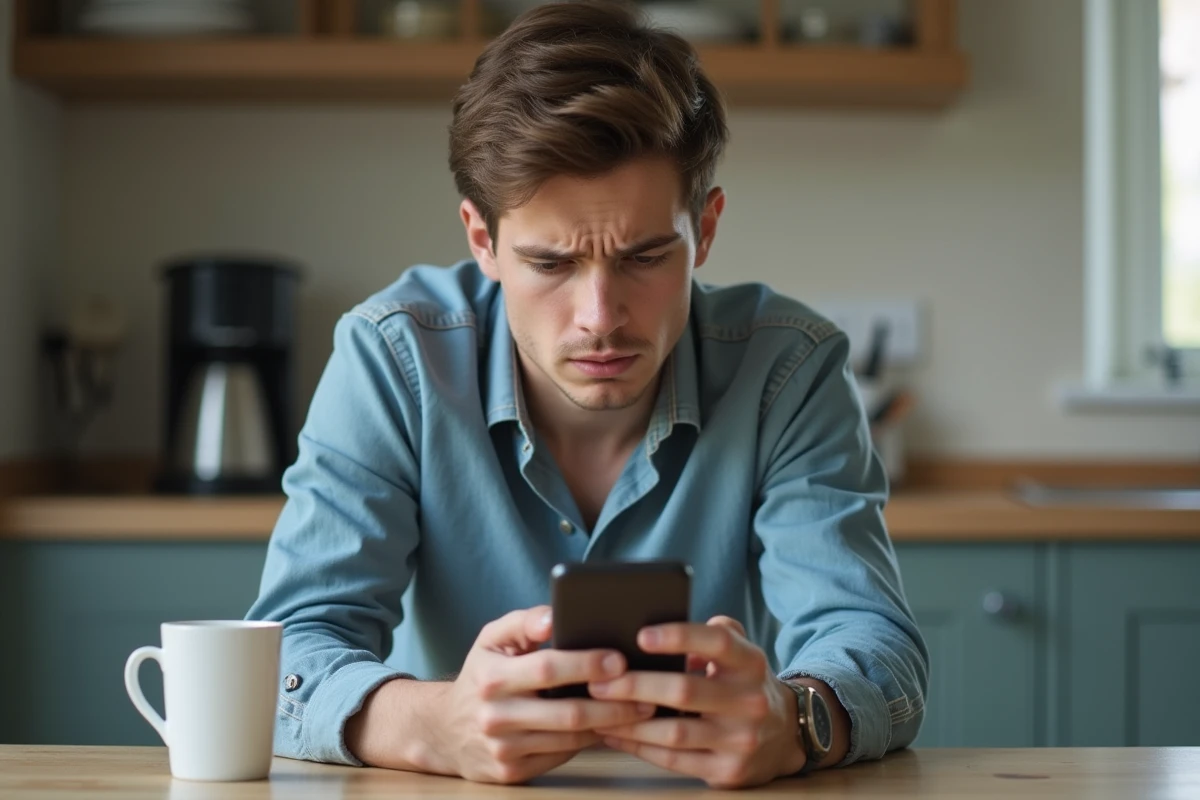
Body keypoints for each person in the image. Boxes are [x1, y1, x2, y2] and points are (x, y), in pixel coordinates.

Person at [247, 0, 927, 788]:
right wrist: (435, 725)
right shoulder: (391, 361)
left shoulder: (788, 369)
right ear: (481, 239)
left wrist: (799, 718)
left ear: (704, 230)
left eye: (644, 258)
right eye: (552, 264)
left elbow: (871, 640)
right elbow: (290, 650)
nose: (600, 319)